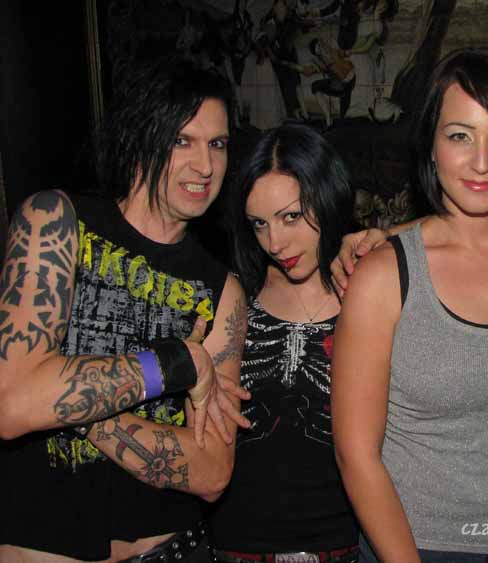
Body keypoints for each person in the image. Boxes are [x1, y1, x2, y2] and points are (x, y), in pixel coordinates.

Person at [0, 58, 249, 562]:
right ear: (140, 137)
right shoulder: (56, 222)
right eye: (182, 140)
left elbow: (211, 472)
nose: (205, 166)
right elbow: (12, 404)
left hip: (172, 551)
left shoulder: (222, 290)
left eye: (218, 144)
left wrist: (69, 400)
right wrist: (177, 364)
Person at [331, 47, 488, 563]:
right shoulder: (383, 275)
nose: (481, 162)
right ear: (431, 146)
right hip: (423, 543)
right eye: (460, 136)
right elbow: (356, 455)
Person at [208, 124, 360, 563]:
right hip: (238, 546)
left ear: (327, 197)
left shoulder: (371, 289)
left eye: (290, 217)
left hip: (346, 545)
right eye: (259, 223)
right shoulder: (235, 296)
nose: (275, 243)